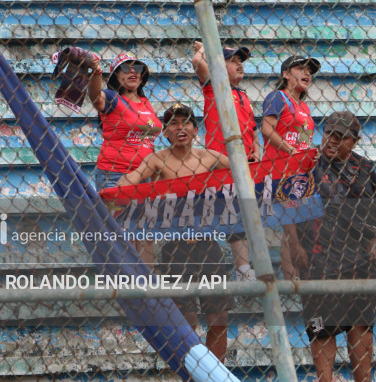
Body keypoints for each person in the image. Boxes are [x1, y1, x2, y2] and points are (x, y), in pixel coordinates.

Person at [117, 104, 233, 362]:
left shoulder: (210, 157)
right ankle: (192, 376)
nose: (181, 128)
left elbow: (248, 172)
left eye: (187, 122)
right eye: (174, 123)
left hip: (207, 245)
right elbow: (128, 182)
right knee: (186, 319)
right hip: (175, 247)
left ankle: (217, 375)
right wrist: (120, 189)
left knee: (219, 315)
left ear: (195, 129)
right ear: (165, 132)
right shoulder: (157, 159)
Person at [287, 112, 376, 382]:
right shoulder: (305, 166)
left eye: (341, 136)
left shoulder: (368, 169)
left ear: (355, 140)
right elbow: (287, 213)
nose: (332, 140)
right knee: (320, 330)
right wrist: (292, 250)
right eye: (328, 133)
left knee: (360, 326)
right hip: (316, 261)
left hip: (361, 262)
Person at [86, 52, 162, 265]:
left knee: (145, 235)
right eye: (125, 68)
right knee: (122, 235)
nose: (132, 71)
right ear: (115, 75)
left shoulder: (146, 103)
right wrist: (96, 73)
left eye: (137, 68)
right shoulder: (112, 98)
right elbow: (95, 97)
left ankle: (148, 287)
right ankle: (127, 286)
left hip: (145, 178)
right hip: (115, 175)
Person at [192, 41, 258, 282]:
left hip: (245, 166)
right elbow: (198, 63)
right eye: (233, 60)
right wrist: (203, 47)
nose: (240, 64)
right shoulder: (215, 87)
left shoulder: (243, 95)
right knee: (225, 214)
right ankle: (220, 269)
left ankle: (243, 269)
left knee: (241, 215)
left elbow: (252, 128)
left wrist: (256, 152)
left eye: (241, 61)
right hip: (220, 165)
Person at [261, 54, 319, 163]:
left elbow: (302, 143)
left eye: (309, 70)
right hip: (277, 168)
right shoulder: (278, 96)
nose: (307, 73)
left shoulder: (305, 107)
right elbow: (266, 130)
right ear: (286, 74)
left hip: (299, 170)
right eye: (301, 68)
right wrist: (292, 151)